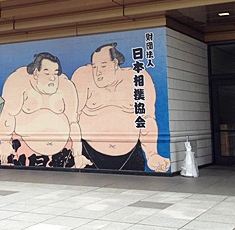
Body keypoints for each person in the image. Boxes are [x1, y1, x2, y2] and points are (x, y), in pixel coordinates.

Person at [71, 43, 170, 172]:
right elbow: (72, 119)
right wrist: (76, 154)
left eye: (103, 66)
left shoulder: (138, 77)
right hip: (90, 154)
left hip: (130, 155)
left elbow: (147, 119)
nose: (98, 72)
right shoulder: (83, 77)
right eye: (94, 66)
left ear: (115, 63)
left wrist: (152, 154)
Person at [0, 52, 89, 168]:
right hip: (24, 150)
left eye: (55, 73)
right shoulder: (18, 82)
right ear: (36, 73)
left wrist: (78, 153)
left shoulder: (66, 87)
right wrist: (5, 142)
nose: (52, 78)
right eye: (47, 73)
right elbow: (7, 115)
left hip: (61, 153)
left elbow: (73, 123)